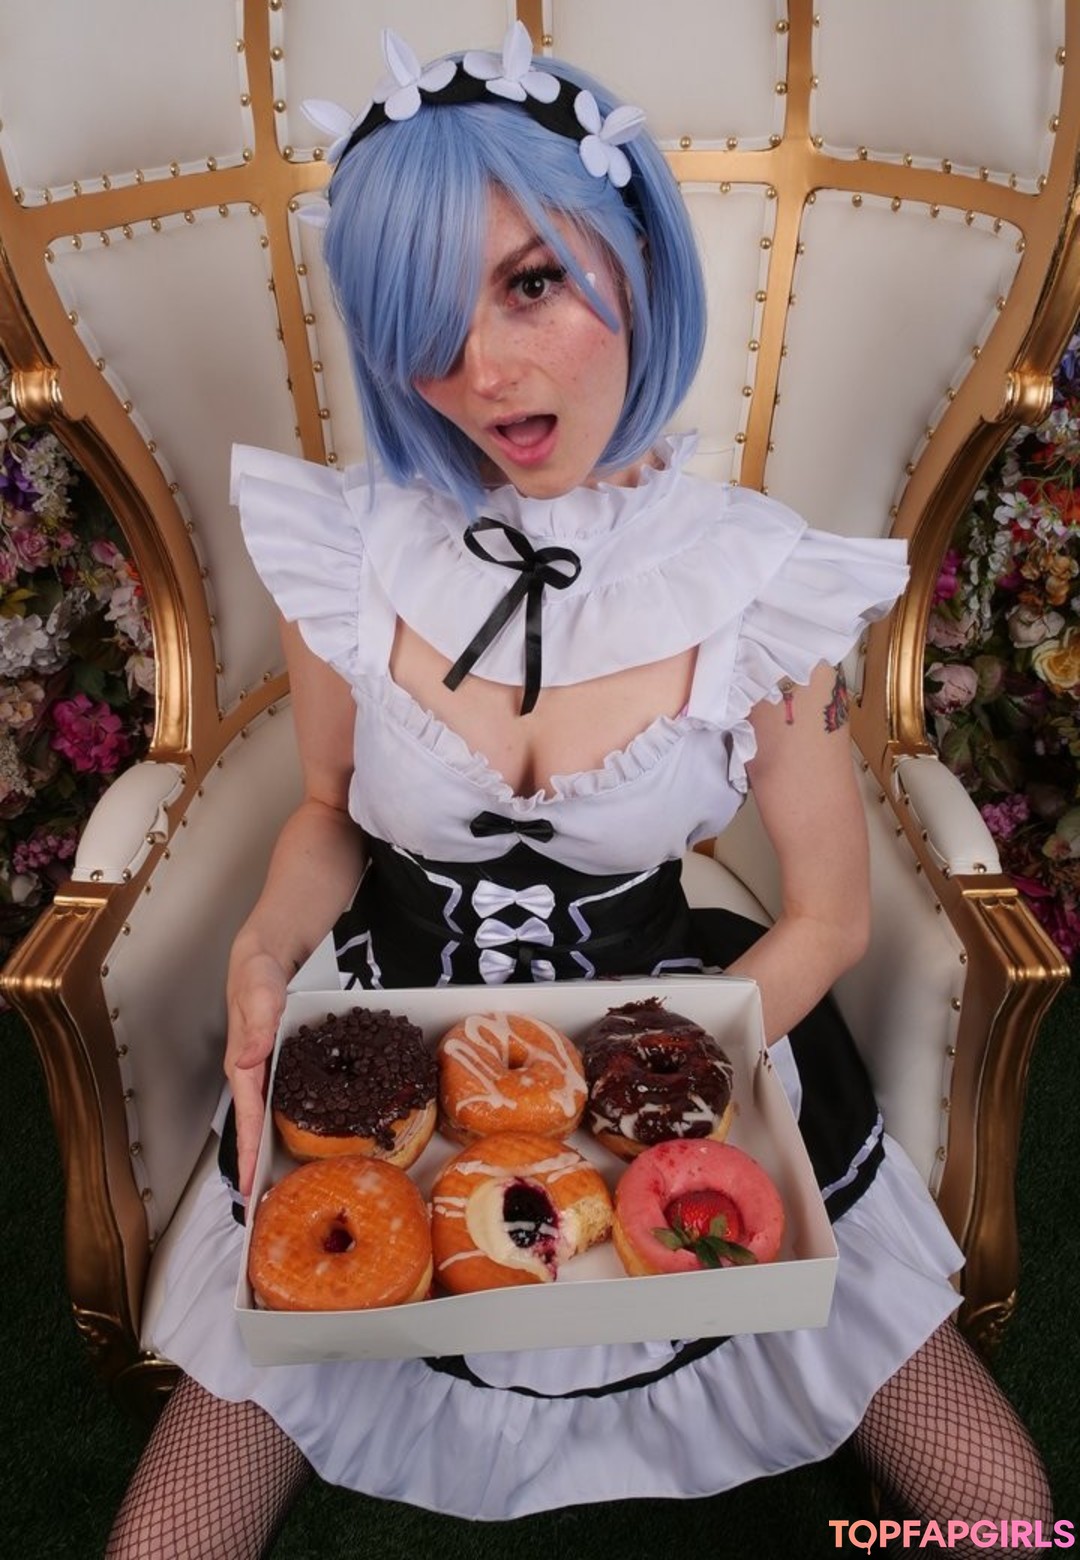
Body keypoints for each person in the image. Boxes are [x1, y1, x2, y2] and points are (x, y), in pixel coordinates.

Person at [107, 25, 1052, 1559]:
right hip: (377, 1086)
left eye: (531, 282)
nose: (483, 370)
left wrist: (669, 1082)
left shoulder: (756, 586)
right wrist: (267, 953)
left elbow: (826, 916)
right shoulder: (348, 556)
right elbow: (329, 811)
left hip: (685, 1060)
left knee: (1013, 1522)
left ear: (636, 257)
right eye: (428, 321)